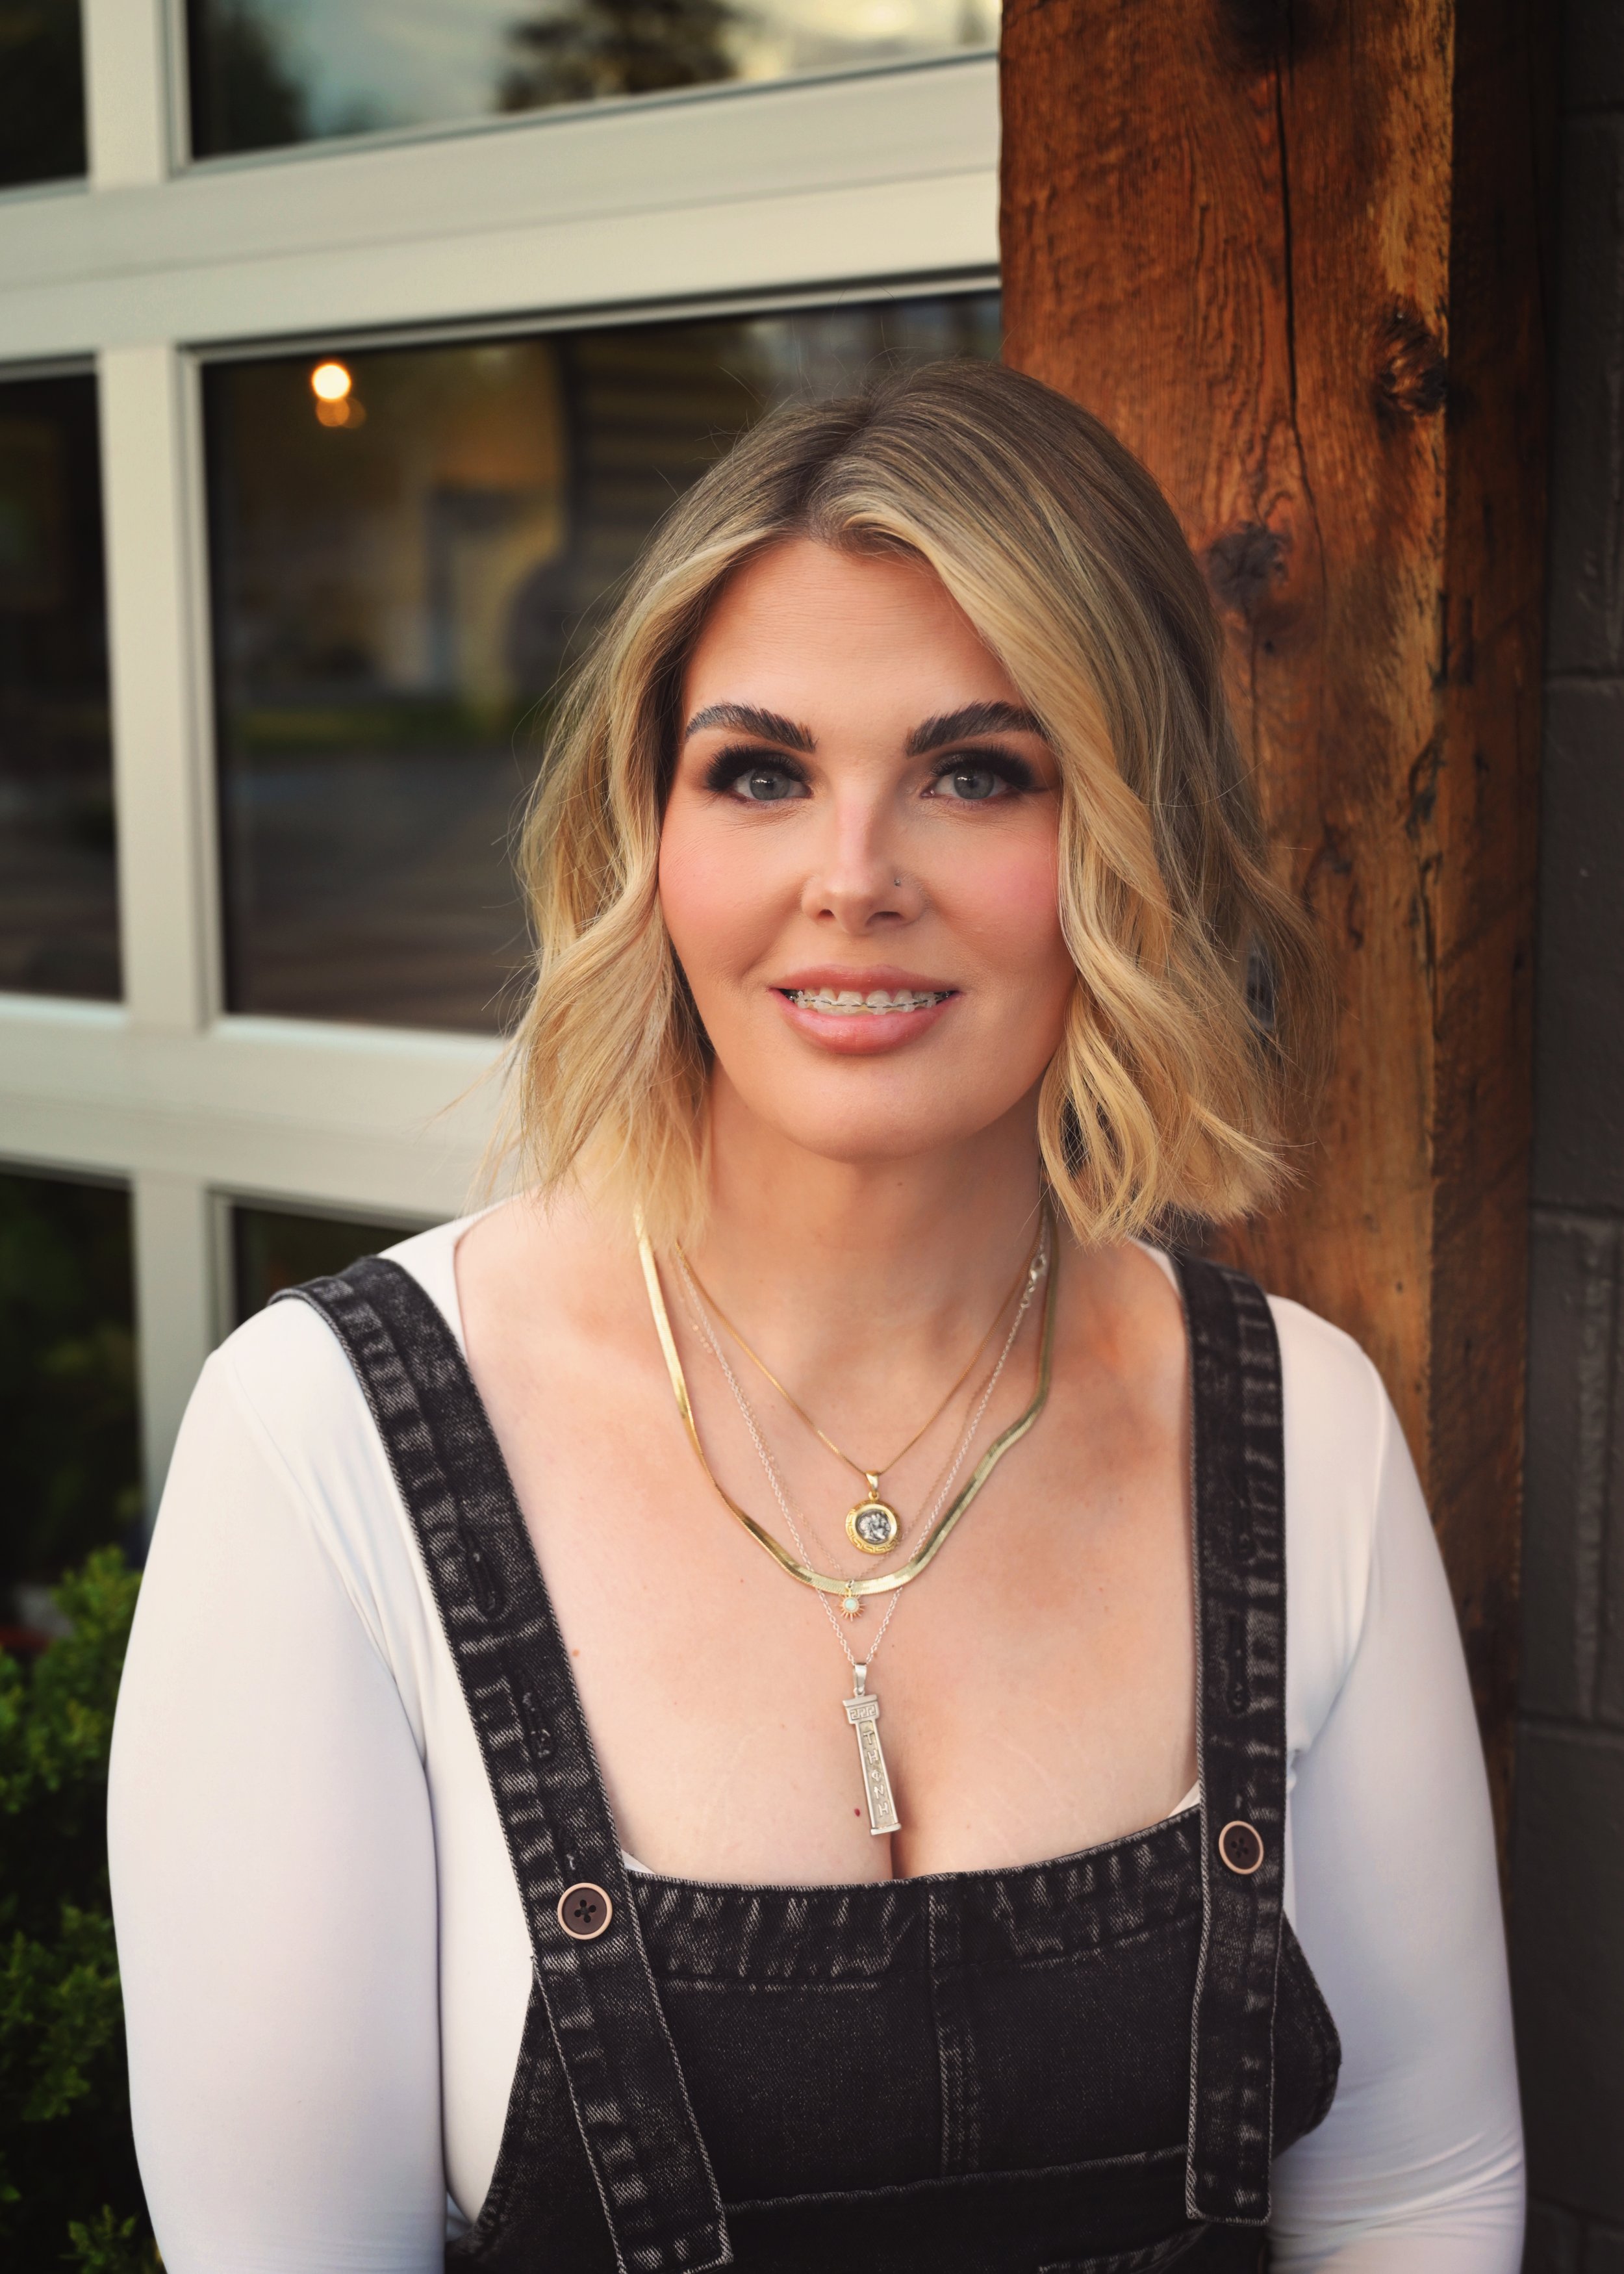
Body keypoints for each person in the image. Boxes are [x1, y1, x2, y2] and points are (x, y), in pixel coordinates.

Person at [108, 361, 1523, 2271]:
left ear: (1132, 832)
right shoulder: (325, 1442)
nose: (851, 881)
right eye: (761, 773)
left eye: (976, 770)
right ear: (650, 830)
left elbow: (1416, 2199)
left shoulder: (1301, 1427)